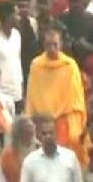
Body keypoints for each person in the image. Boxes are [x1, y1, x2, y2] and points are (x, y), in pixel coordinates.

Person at [24, 26, 89, 168]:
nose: (52, 48)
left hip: (63, 122)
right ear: (43, 45)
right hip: (41, 123)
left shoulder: (70, 65)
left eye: (55, 44)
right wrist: (36, 118)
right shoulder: (36, 65)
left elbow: (76, 99)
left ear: (61, 44)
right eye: (48, 45)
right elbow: (32, 96)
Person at [18, 114, 84, 182]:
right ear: (39, 136)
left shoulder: (70, 158)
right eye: (44, 133)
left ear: (56, 134)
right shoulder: (30, 162)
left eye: (50, 133)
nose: (48, 137)